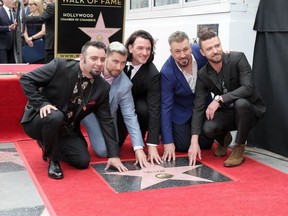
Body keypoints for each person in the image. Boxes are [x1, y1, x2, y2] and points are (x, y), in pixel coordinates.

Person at [20, 41, 128, 180]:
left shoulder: (102, 88)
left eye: (102, 59)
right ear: (82, 58)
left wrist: (114, 155)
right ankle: (53, 160)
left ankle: (49, 142)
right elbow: (26, 79)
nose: (99, 63)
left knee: (82, 161)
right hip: (40, 120)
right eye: (94, 58)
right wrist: (42, 104)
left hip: (67, 127)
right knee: (55, 116)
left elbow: (106, 120)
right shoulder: (60, 66)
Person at [189, 28, 266, 167]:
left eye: (217, 46)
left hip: (249, 111)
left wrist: (219, 99)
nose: (215, 50)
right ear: (202, 52)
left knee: (241, 103)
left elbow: (248, 88)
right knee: (207, 128)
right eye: (209, 48)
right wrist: (194, 141)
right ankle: (224, 138)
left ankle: (239, 147)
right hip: (229, 113)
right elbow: (198, 106)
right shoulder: (203, 74)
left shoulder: (238, 58)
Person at [82, 41, 150, 168]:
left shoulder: (125, 84)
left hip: (107, 118)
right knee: (103, 149)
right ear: (106, 58)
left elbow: (130, 115)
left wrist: (138, 148)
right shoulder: (92, 68)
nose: (119, 67)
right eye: (115, 61)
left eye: (123, 63)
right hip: (86, 112)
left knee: (107, 150)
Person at [160, 31, 216, 161]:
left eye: (186, 49)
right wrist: (168, 142)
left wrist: (226, 54)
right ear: (171, 51)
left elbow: (216, 54)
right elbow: (166, 106)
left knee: (206, 144)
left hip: (203, 106)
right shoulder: (167, 72)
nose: (183, 55)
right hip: (181, 111)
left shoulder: (201, 53)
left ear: (191, 46)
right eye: (177, 51)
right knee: (182, 146)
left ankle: (221, 135)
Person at [118, 30, 162, 164]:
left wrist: (152, 144)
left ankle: (140, 136)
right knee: (115, 144)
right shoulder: (119, 61)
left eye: (148, 49)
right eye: (140, 48)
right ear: (130, 48)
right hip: (117, 107)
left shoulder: (152, 73)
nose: (145, 53)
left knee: (144, 108)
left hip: (138, 108)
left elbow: (155, 109)